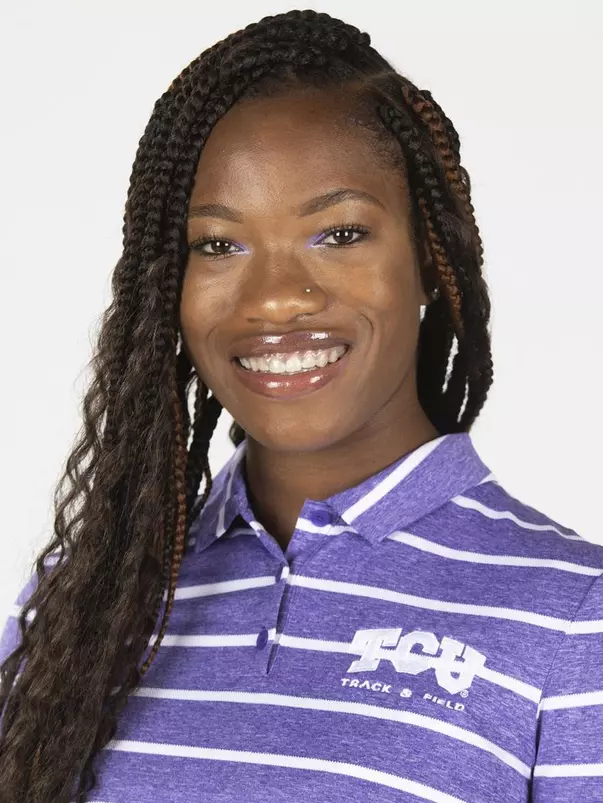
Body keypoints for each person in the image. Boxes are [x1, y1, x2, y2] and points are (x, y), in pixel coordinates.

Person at [0, 7, 601, 803]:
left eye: (339, 234)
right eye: (218, 245)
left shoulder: (572, 620)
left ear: (429, 255)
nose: (277, 299)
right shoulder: (85, 602)